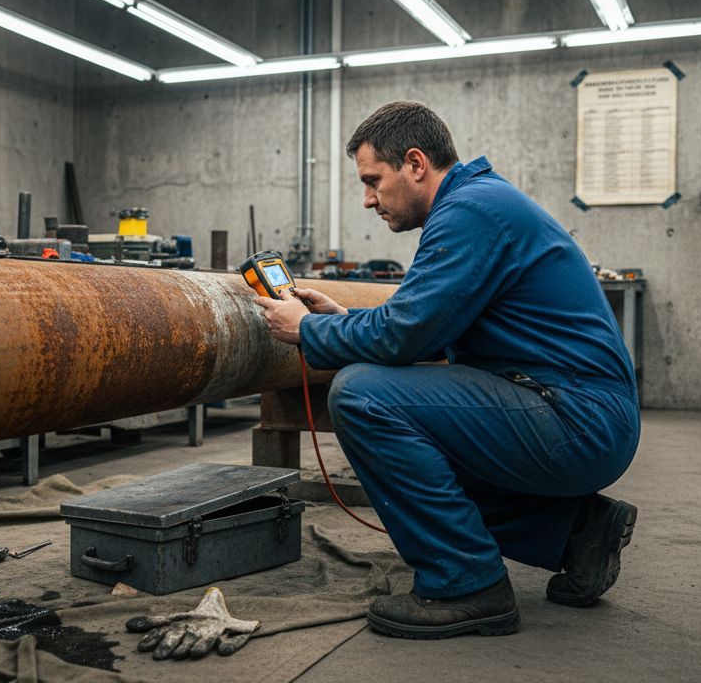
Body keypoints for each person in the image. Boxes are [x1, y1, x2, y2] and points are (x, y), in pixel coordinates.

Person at [253, 101, 640, 639]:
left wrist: (309, 331)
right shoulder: (477, 204)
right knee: (417, 442)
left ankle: (466, 585)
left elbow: (406, 334)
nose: (367, 199)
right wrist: (343, 320)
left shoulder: (469, 213)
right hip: (573, 411)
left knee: (363, 396)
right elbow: (425, 325)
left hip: (577, 421)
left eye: (372, 181)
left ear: (415, 164)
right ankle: (578, 535)